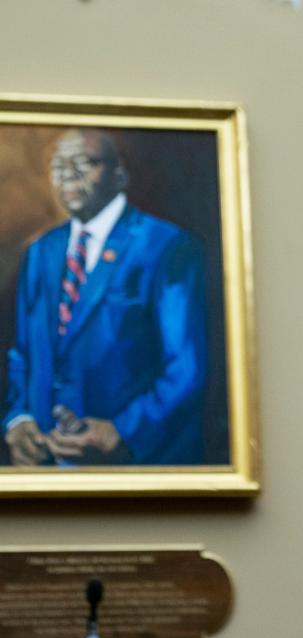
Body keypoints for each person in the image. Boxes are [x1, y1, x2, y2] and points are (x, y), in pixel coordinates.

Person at [3, 128, 208, 466]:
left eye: (83, 162)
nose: (67, 173)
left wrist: (124, 432)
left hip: (129, 469)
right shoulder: (42, 251)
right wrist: (19, 418)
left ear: (119, 175)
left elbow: (185, 369)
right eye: (58, 165)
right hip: (45, 467)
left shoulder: (167, 247)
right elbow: (22, 353)